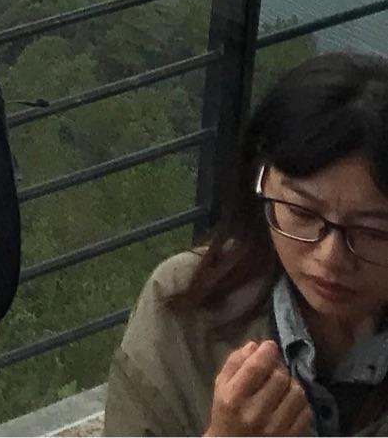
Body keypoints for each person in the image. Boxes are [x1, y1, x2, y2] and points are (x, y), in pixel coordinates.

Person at [106, 52, 388, 436]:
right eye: (301, 213)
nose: (331, 257)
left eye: (373, 232)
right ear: (260, 185)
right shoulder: (188, 303)